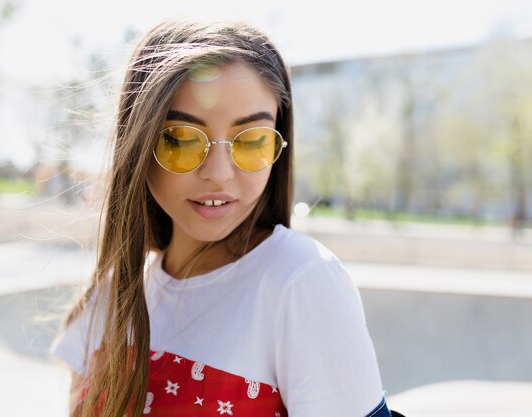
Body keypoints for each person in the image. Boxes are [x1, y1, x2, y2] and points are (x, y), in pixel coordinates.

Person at [50, 19, 395, 417]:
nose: (219, 172)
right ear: (138, 142)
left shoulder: (301, 280)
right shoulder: (112, 297)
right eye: (180, 139)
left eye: (251, 142)